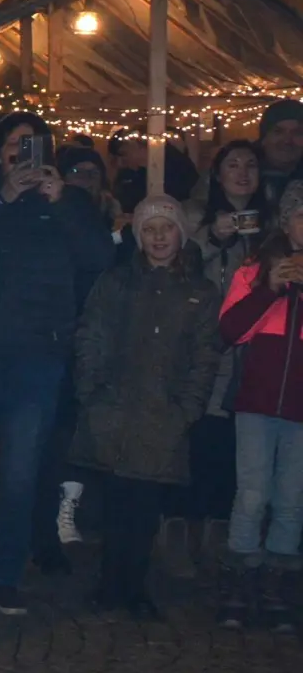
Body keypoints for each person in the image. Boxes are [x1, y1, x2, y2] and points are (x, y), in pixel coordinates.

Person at [0, 113, 115, 614]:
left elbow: (98, 257)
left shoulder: (70, 202)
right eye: (15, 146)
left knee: (20, 473)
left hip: (38, 354)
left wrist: (61, 203)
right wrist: (4, 199)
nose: (24, 155)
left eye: (34, 145)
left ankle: (5, 575)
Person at [70, 195, 220, 619]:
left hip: (162, 415)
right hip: (115, 408)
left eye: (166, 228)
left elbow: (205, 354)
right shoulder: (116, 282)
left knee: (145, 507)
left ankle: (133, 585)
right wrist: (91, 392)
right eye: (149, 229)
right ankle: (110, 583)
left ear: (180, 234)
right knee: (116, 504)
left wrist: (188, 407)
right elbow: (91, 336)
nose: (158, 237)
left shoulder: (200, 292)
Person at [175, 139, 268, 576]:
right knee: (202, 441)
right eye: (233, 164)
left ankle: (223, 536)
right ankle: (187, 534)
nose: (243, 173)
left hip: (253, 351)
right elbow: (179, 264)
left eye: (250, 165)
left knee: (237, 448)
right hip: (204, 347)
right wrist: (214, 236)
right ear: (217, 173)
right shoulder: (196, 217)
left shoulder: (273, 226)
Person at [214, 183, 303, 632]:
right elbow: (229, 329)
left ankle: (278, 581)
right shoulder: (254, 268)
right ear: (286, 222)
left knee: (292, 500)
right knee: (251, 495)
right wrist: (271, 289)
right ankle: (239, 576)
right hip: (256, 401)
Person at [258, 99, 303, 199]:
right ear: (264, 138)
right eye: (278, 132)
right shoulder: (243, 177)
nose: (287, 141)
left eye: (297, 133)